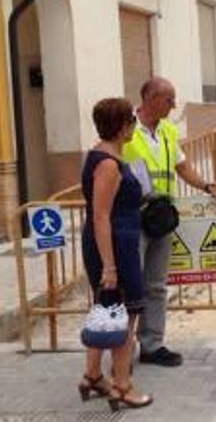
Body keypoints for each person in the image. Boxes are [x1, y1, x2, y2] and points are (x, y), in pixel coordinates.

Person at [123, 77, 216, 367]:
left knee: (155, 285)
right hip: (134, 216)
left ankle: (152, 344)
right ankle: (122, 348)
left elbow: (182, 167)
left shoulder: (167, 131)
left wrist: (206, 186)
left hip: (161, 217)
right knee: (130, 285)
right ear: (152, 98)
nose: (173, 106)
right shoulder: (125, 127)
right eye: (170, 100)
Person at [79, 97, 152, 410]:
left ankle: (93, 377)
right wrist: (109, 267)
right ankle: (122, 386)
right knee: (125, 315)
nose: (134, 126)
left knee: (107, 311)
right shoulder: (108, 164)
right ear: (123, 127)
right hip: (115, 247)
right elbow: (100, 216)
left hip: (113, 242)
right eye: (132, 122)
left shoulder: (100, 155)